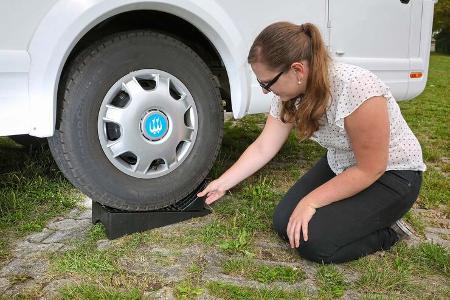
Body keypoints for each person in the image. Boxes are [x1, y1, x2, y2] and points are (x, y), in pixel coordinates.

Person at [197, 22, 426, 264]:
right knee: (285, 222)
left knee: (314, 243)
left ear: (297, 70)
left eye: (267, 83)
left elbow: (371, 168)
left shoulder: (357, 87)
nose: (265, 91)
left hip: (392, 174)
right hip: (344, 164)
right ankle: (357, 215)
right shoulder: (288, 93)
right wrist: (223, 182)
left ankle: (389, 232)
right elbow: (264, 146)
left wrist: (311, 201)